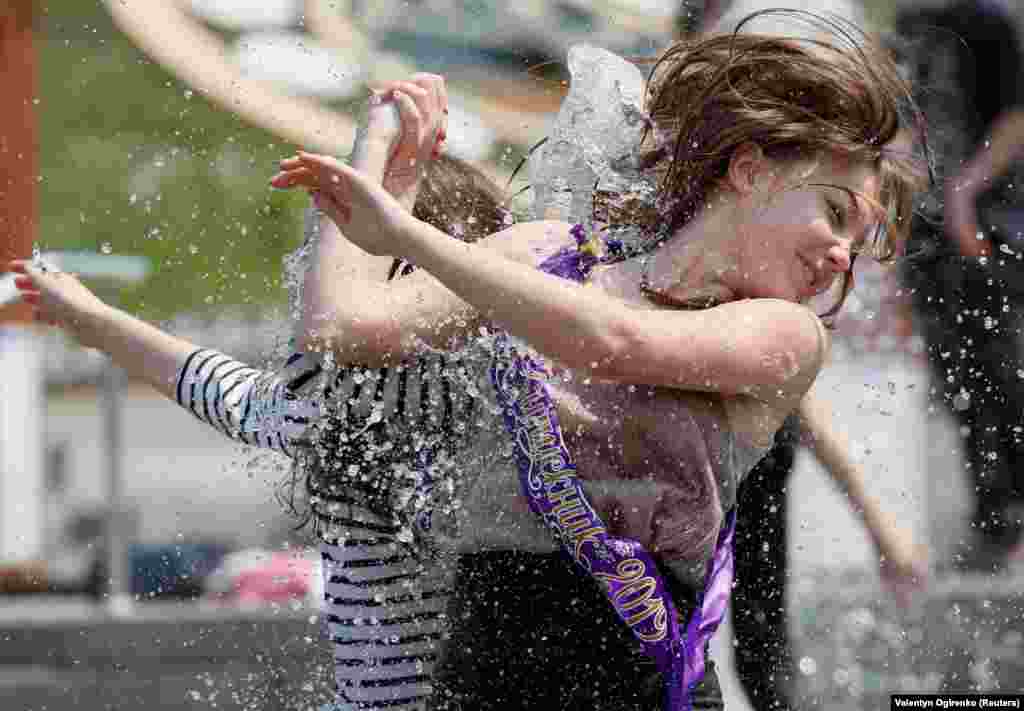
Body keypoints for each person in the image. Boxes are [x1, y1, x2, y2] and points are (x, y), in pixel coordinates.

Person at [14, 15, 923, 710]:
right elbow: (345, 330)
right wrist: (383, 168)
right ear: (751, 171)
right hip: (476, 682)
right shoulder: (548, 256)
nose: (843, 257)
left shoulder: (784, 338)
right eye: (837, 214)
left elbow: (612, 343)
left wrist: (406, 233)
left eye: (863, 241)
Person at [894, 0, 1024, 573]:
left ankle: (1012, 514)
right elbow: (902, 128)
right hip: (930, 235)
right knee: (958, 380)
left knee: (1004, 370)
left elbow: (1017, 116)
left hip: (989, 220)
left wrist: (964, 194)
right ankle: (993, 521)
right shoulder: (910, 21)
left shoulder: (990, 22)